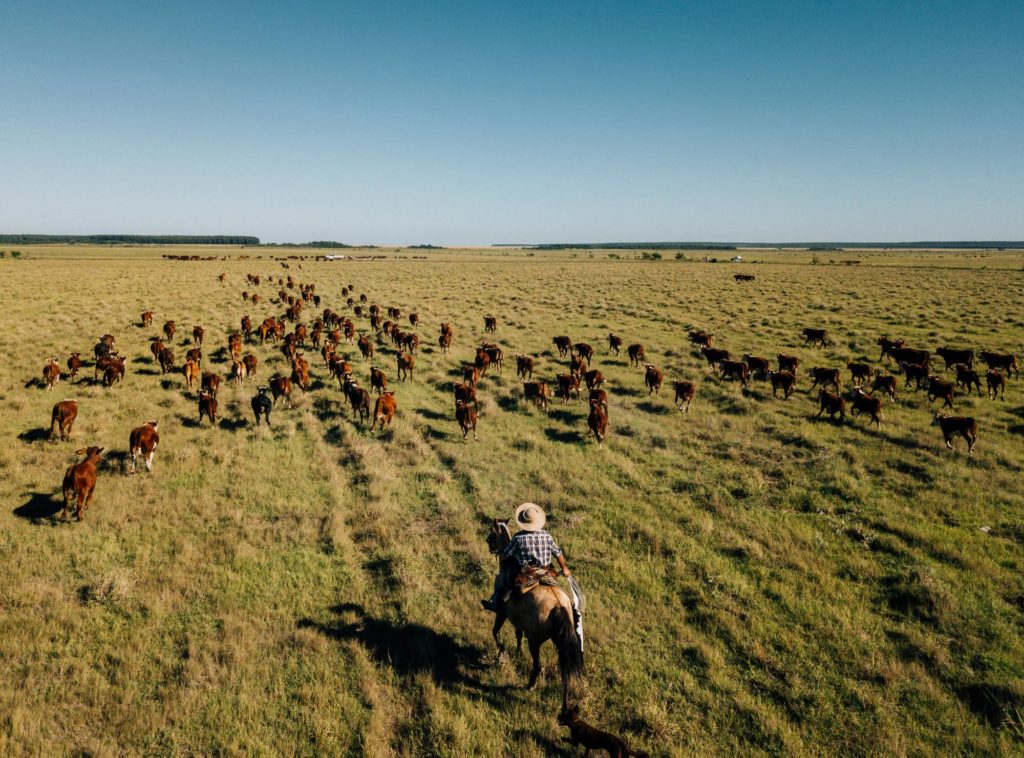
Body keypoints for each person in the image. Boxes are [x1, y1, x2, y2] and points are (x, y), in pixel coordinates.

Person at [482, 502, 570, 612]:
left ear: (523, 522)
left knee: (503, 584)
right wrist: (564, 568)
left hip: (527, 572)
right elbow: (558, 553)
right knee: (561, 590)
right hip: (546, 571)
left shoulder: (518, 538)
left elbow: (506, 554)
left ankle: (496, 604)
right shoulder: (547, 535)